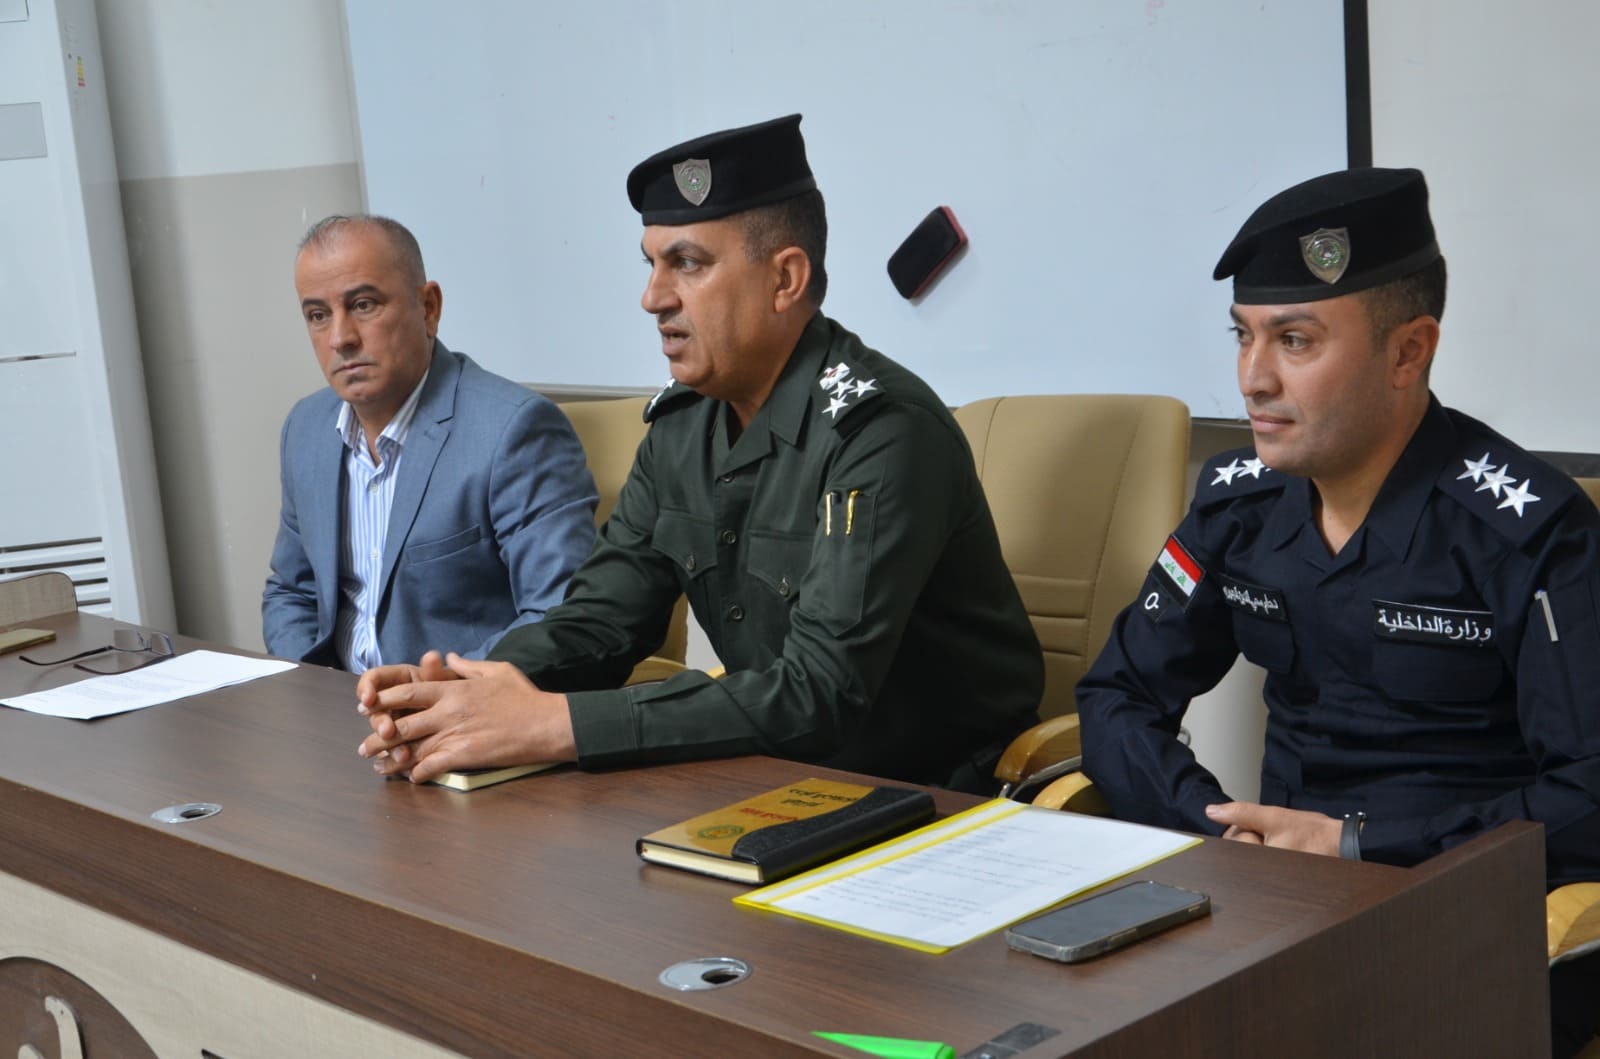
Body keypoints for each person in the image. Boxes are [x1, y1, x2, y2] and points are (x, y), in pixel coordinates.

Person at [353, 115, 1042, 791]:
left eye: (687, 263)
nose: (653, 297)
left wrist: (558, 724)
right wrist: (465, 691)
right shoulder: (685, 425)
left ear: (785, 279)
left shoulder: (881, 431)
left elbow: (818, 693)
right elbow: (601, 619)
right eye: (652, 264)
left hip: (941, 796)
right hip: (783, 783)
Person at [1076, 167, 1600, 1055]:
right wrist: (1207, 820)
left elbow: (1588, 791)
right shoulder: (1238, 505)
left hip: (1463, 921)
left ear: (1408, 353)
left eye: (1294, 341)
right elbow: (1115, 694)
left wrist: (1357, 844)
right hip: (1271, 909)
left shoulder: (1529, 531)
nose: (1253, 379)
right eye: (1242, 336)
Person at [262, 215, 598, 672]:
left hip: (458, 702)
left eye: (363, 305)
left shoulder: (513, 431)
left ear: (428, 308)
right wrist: (313, 690)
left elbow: (558, 615)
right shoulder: (306, 429)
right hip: (337, 703)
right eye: (318, 315)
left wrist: (429, 692)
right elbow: (291, 592)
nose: (341, 338)